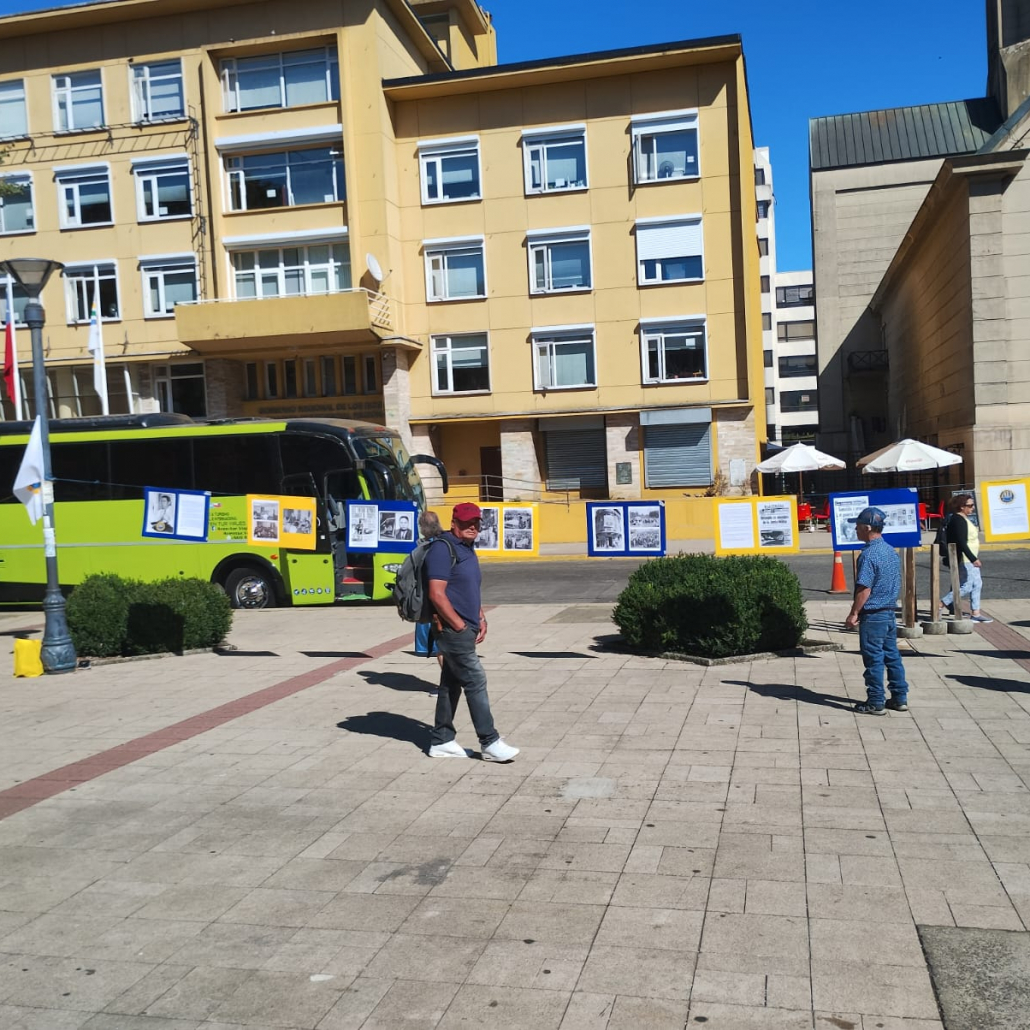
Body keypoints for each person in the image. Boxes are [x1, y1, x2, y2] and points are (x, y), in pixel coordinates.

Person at [424, 501, 518, 761]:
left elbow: (467, 589)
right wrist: (459, 625)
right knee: (475, 680)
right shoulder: (442, 549)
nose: (472, 527)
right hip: (452, 630)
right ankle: (489, 742)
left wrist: (480, 615)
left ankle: (441, 740)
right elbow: (436, 594)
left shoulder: (466, 547)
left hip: (465, 627)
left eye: (476, 522)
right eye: (466, 522)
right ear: (454, 523)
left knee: (451, 683)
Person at [844, 506, 909, 715]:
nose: (855, 529)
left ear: (868, 528)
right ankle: (899, 697)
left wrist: (854, 613)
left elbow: (865, 588)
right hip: (889, 612)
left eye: (858, 526)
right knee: (892, 656)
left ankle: (875, 701)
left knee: (873, 659)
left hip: (873, 614)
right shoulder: (890, 551)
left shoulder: (868, 555)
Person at [939, 494, 993, 623]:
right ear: (961, 507)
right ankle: (940, 604)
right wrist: (973, 559)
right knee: (967, 585)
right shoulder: (958, 520)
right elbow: (961, 542)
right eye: (970, 505)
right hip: (965, 559)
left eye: (973, 505)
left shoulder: (963, 519)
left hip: (969, 558)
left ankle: (976, 613)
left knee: (977, 584)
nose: (972, 508)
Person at [414, 510, 444, 680]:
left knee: (441, 647)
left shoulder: (423, 548)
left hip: (431, 602)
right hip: (447, 598)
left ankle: (448, 684)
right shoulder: (446, 542)